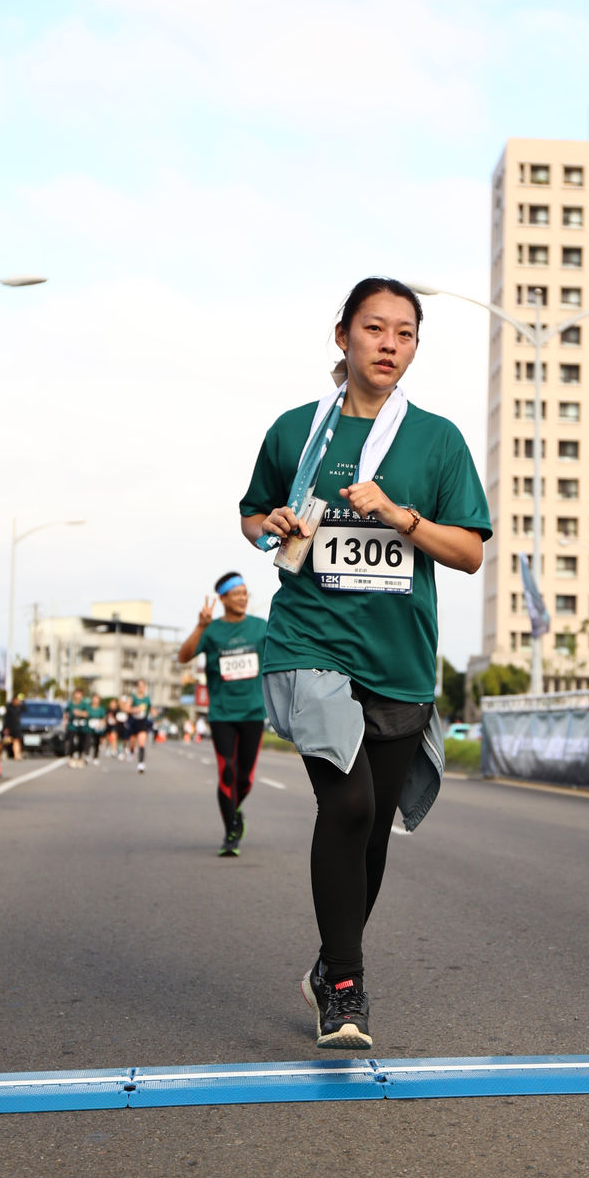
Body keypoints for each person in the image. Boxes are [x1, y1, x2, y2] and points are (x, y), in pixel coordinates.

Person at [239, 276, 491, 1050]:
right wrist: (272, 524)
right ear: (342, 335)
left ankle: (327, 963)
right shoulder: (295, 430)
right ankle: (346, 987)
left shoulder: (436, 440)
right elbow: (251, 517)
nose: (388, 344)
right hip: (309, 642)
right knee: (346, 807)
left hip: (397, 654)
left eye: (404, 333)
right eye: (374, 328)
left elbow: (469, 553)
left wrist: (401, 516)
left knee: (374, 826)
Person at [178, 573, 267, 856]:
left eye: (245, 592)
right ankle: (230, 833)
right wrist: (200, 626)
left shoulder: (261, 628)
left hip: (253, 712)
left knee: (245, 779)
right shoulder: (212, 631)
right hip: (222, 714)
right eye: (236, 593)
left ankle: (235, 810)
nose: (242, 597)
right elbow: (183, 656)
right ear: (223, 598)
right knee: (227, 771)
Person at [129, 679, 152, 773]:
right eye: (139, 686)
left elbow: (150, 709)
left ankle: (141, 763)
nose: (141, 688)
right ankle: (131, 751)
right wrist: (134, 710)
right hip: (133, 721)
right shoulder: (133, 698)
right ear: (137, 687)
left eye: (143, 686)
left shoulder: (147, 699)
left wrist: (154, 713)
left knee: (142, 742)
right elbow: (127, 708)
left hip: (143, 722)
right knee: (132, 743)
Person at [65, 687, 89, 767]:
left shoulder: (84, 704)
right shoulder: (70, 704)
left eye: (79, 694)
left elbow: (87, 714)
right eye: (76, 694)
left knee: (81, 742)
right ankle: (71, 758)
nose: (77, 696)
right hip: (72, 725)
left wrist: (79, 713)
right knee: (71, 742)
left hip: (81, 725)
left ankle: (79, 758)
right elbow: (66, 712)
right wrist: (64, 720)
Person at [2, 694, 25, 761]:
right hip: (8, 727)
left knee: (16, 740)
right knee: (4, 741)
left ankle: (17, 755)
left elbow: (25, 708)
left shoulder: (19, 707)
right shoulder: (8, 707)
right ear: (14, 700)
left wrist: (23, 700)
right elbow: (6, 718)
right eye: (17, 700)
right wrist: (5, 728)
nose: (19, 701)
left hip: (16, 727)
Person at [86, 693, 106, 765]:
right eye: (94, 699)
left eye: (96, 699)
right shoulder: (88, 708)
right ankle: (87, 755)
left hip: (97, 728)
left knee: (96, 742)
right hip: (89, 727)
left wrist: (100, 724)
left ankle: (95, 757)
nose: (95, 700)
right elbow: (85, 715)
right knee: (88, 741)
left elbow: (103, 718)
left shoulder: (101, 709)